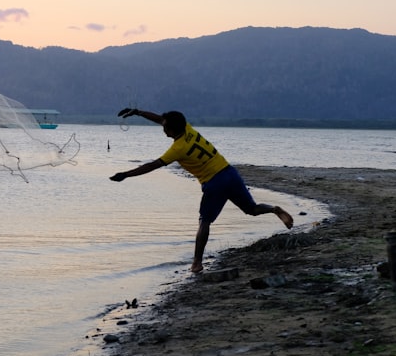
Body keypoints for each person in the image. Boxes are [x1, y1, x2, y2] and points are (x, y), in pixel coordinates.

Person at [110, 108, 294, 274]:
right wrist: (138, 112)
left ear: (172, 130)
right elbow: (161, 119)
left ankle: (197, 263)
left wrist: (126, 174)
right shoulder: (188, 128)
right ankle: (274, 210)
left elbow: (152, 165)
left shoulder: (177, 148)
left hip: (215, 183)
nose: (162, 128)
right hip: (229, 172)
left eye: (165, 127)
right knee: (251, 209)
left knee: (204, 222)